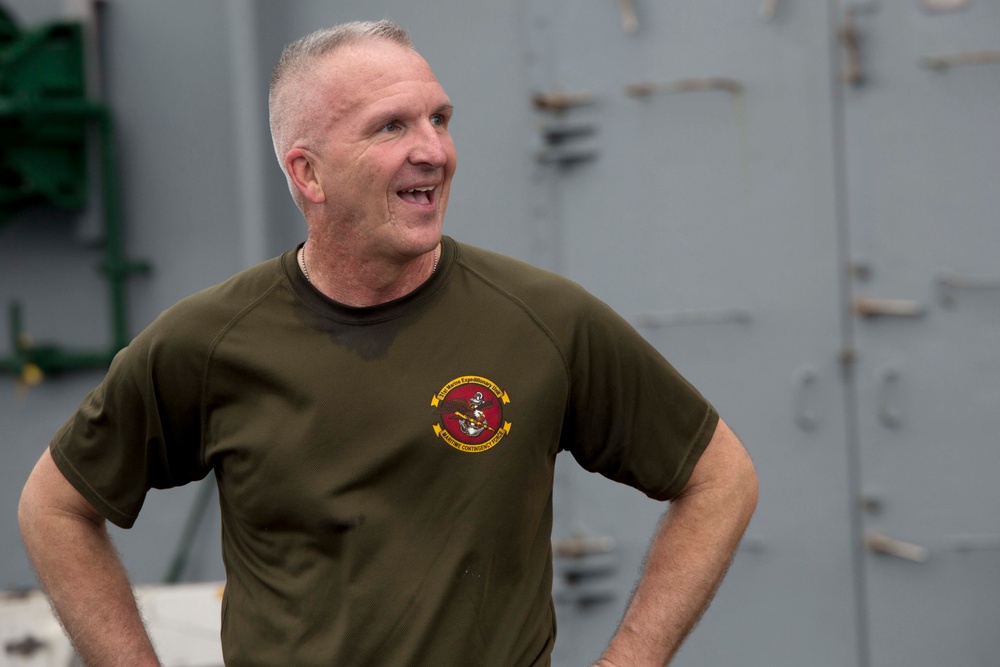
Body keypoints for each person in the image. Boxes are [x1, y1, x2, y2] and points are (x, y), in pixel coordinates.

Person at [18, 20, 758, 667]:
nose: (434, 151)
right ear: (308, 172)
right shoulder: (211, 343)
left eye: (440, 118)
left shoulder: (542, 321)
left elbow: (720, 477)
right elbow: (53, 506)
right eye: (391, 127)